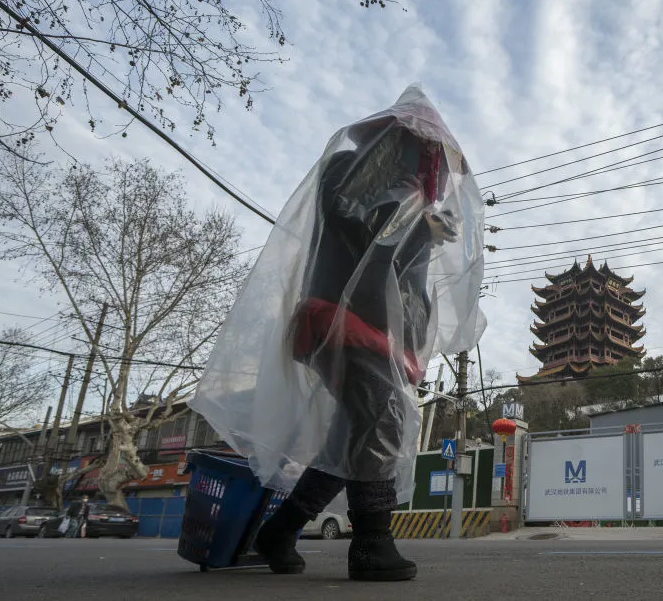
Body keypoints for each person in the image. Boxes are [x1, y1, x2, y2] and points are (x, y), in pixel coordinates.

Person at [192, 86, 484, 582]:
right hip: (344, 322)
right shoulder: (349, 171)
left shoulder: (404, 195)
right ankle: (370, 543)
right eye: (424, 151)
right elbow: (360, 227)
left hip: (371, 329)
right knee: (382, 421)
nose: (430, 167)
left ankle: (280, 530)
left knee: (351, 435)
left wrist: (423, 236)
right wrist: (419, 229)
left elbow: (399, 277)